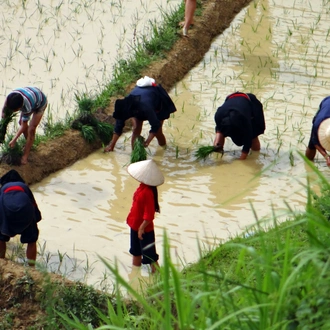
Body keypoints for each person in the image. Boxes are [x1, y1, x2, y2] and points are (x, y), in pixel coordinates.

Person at [104, 76, 176, 152]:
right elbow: (118, 127)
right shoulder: (124, 107)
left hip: (158, 102)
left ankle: (163, 148)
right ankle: (134, 153)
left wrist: (147, 142)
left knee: (158, 132)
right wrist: (111, 146)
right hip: (141, 103)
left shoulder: (146, 107)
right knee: (136, 129)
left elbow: (155, 125)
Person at [126, 159, 164, 274]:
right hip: (134, 226)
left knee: (151, 258)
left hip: (144, 231)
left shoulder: (147, 192)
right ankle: (134, 276)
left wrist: (141, 228)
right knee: (135, 252)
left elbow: (149, 215)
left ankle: (158, 279)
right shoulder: (142, 187)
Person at [0, 169, 42, 267]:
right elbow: (34, 206)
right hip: (25, 210)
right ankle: (32, 267)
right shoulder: (24, 187)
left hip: (6, 210)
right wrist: (34, 222)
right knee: (31, 240)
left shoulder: (2, 189)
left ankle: (1, 261)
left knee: (1, 237)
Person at [1, 87, 48, 165]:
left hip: (40, 103)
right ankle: (29, 142)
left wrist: (14, 139)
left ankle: (25, 156)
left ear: (19, 108)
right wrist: (3, 113)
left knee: (31, 129)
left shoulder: (27, 106)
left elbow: (24, 126)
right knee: (21, 123)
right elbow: (5, 106)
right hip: (32, 94)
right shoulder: (11, 97)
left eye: (14, 110)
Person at [213, 91, 265, 160]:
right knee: (220, 134)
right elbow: (219, 129)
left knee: (253, 136)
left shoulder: (244, 119)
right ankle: (217, 155)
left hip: (251, 103)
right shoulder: (218, 116)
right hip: (231, 99)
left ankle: (256, 155)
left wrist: (241, 160)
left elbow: (248, 138)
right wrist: (217, 145)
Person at [305, 96, 330, 166]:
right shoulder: (317, 124)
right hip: (327, 102)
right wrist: (326, 156)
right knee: (312, 145)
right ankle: (307, 164)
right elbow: (315, 141)